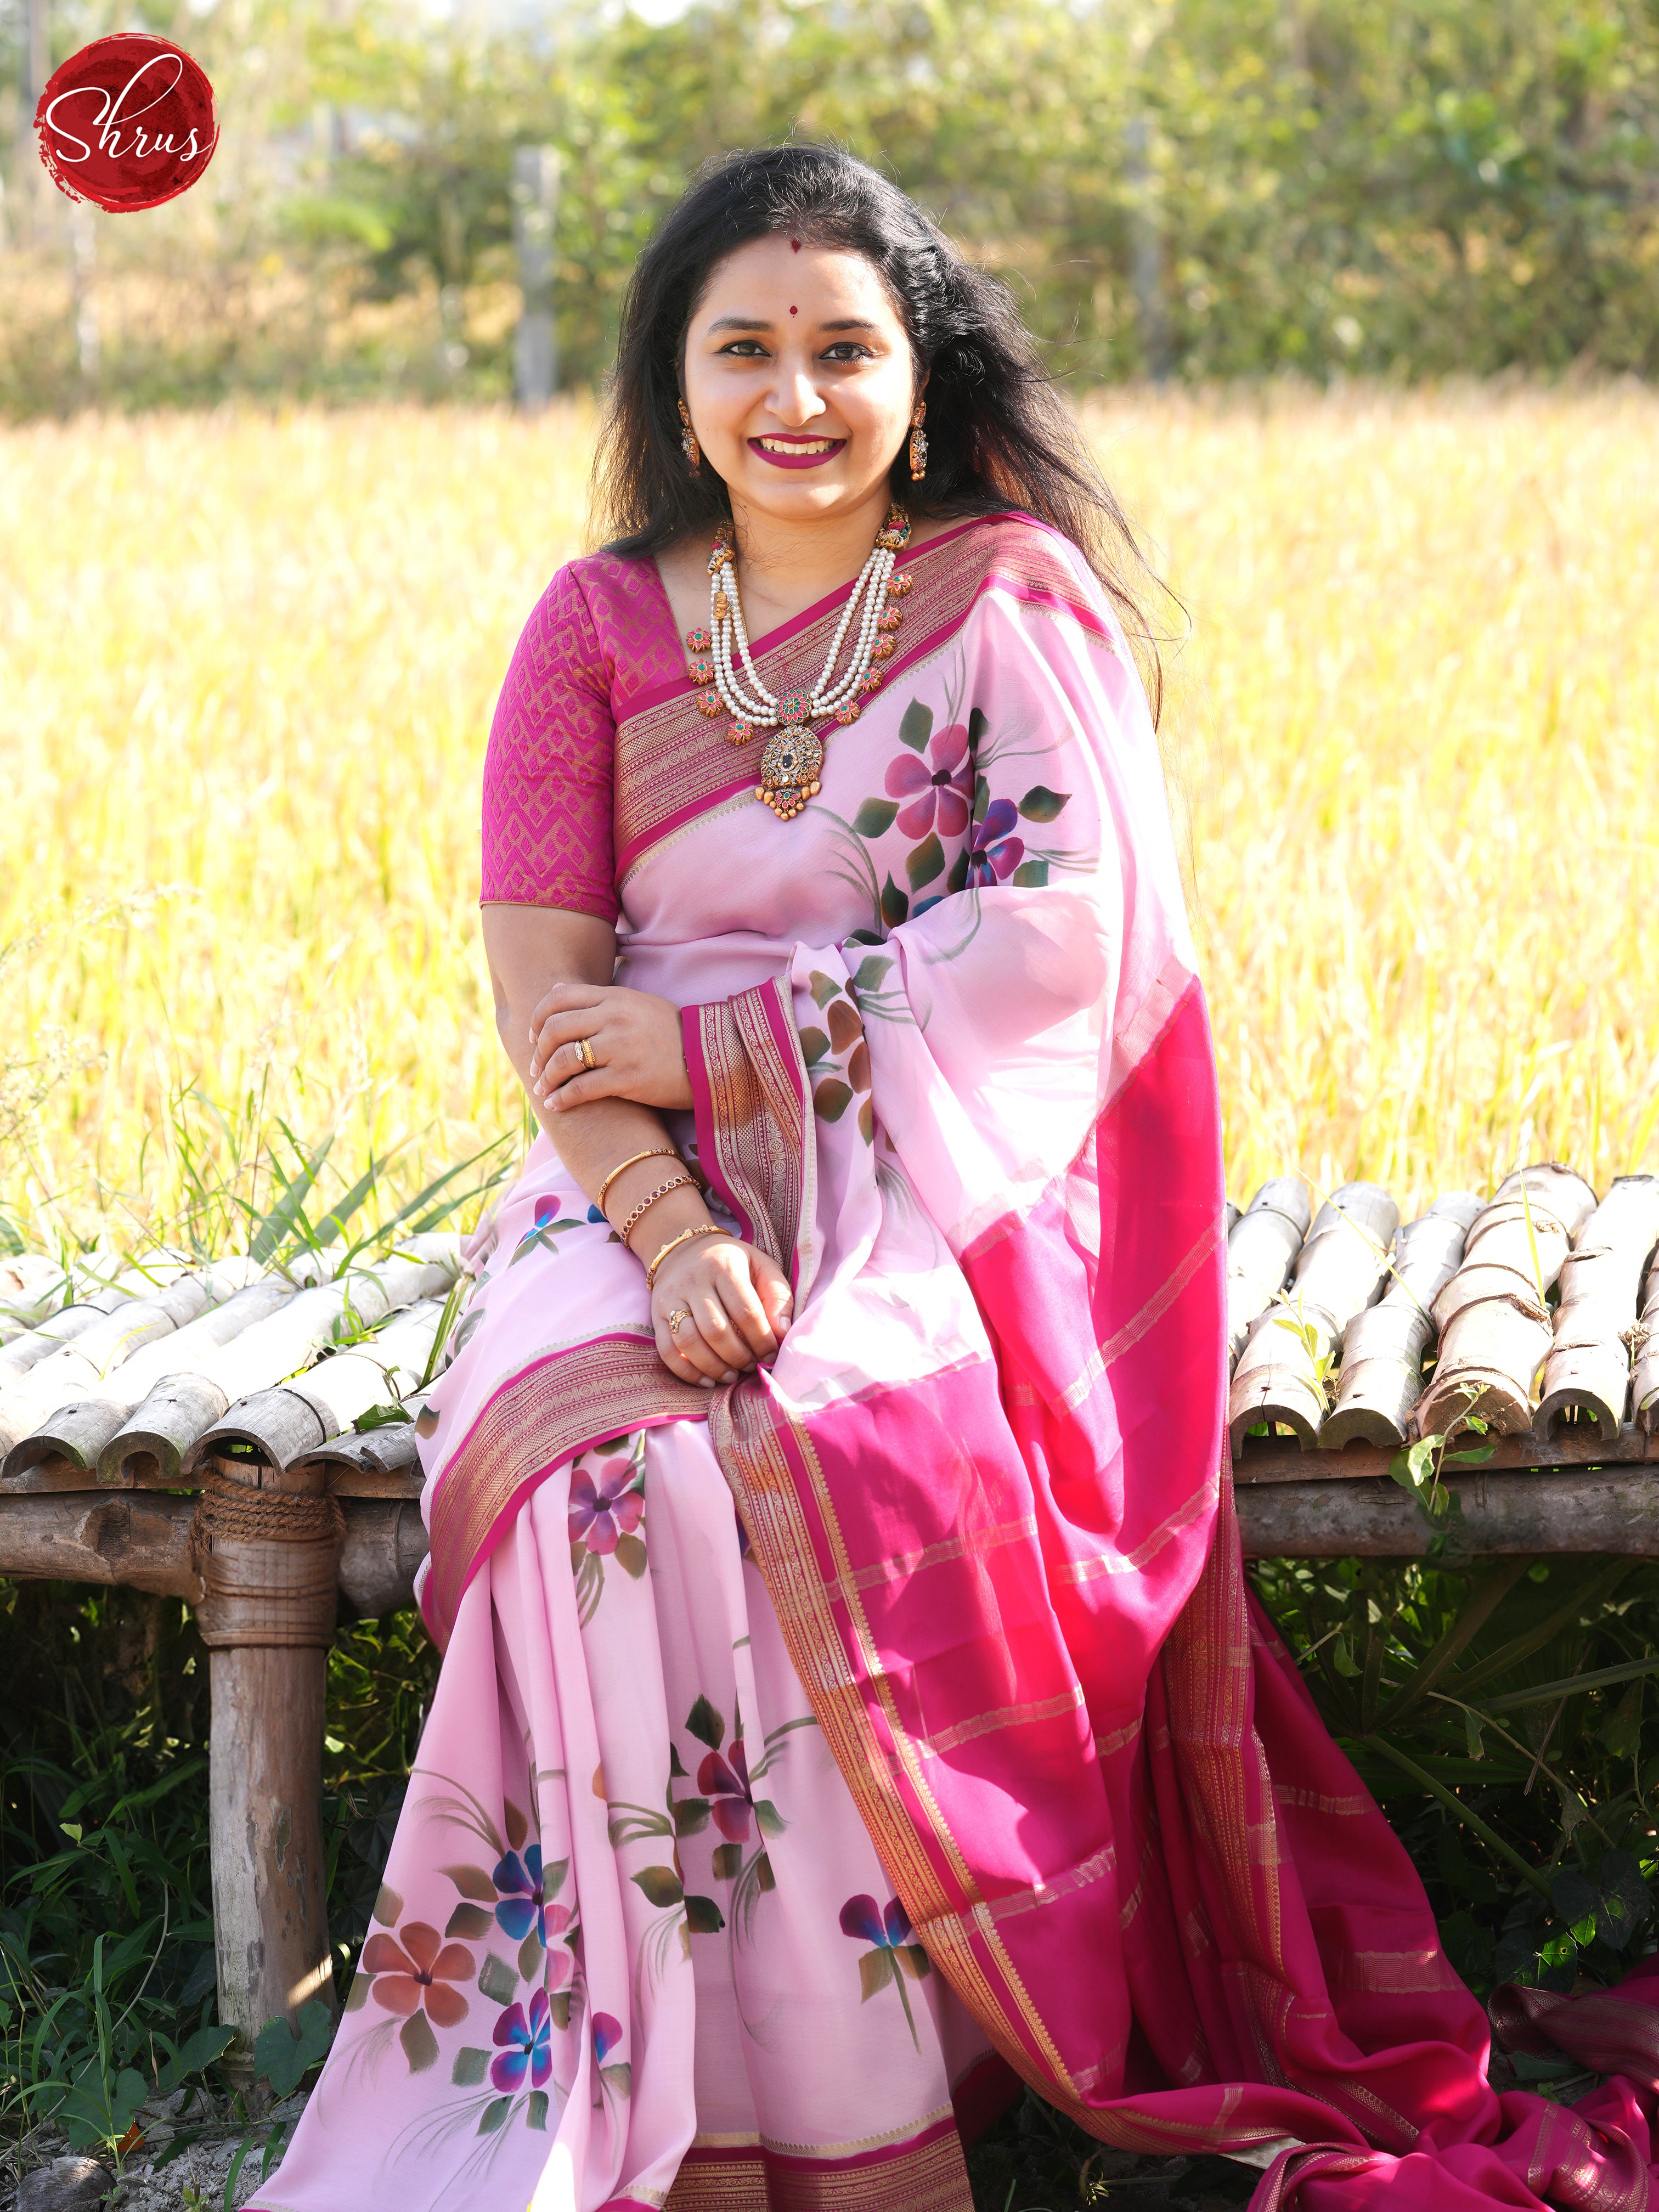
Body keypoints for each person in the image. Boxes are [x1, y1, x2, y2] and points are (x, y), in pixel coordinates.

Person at [258, 146, 1659, 2212]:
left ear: (924, 379)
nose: (794, 395)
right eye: (744, 348)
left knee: (831, 1440)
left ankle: (864, 2119)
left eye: (845, 347)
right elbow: (552, 1007)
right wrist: (663, 1224)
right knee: (607, 1473)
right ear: (675, 380)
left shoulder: (1007, 604)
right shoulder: (592, 629)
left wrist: (744, 1040)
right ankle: (639, 2109)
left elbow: (1073, 936)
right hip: (621, 1177)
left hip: (929, 1176)